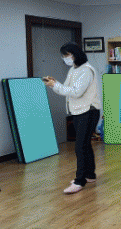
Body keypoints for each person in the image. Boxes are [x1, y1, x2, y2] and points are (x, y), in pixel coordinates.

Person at [44, 42, 102, 194]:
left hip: (88, 111)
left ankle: (79, 181)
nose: (65, 58)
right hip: (78, 111)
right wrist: (55, 83)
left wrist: (55, 86)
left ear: (75, 54)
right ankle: (90, 175)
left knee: (80, 146)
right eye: (63, 56)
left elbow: (76, 92)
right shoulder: (74, 69)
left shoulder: (86, 70)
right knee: (85, 144)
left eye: (67, 55)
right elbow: (67, 89)